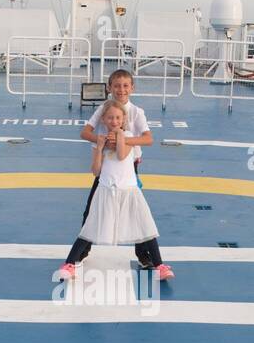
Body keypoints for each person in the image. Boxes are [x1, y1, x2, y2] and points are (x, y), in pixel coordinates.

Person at [54, 98, 173, 281]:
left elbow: (121, 154)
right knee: (90, 225)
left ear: (123, 119)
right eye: (110, 118)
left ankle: (160, 265)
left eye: (118, 118)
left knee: (145, 225)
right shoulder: (101, 139)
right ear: (104, 119)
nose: (114, 121)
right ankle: (69, 264)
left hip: (129, 190)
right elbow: (96, 170)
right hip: (106, 189)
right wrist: (100, 146)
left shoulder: (130, 136)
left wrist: (119, 136)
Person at [78, 69, 152, 224]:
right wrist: (104, 141)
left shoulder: (137, 112)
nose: (121, 90)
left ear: (132, 88)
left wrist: (122, 140)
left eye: (125, 86)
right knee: (92, 206)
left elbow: (148, 139)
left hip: (129, 165)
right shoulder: (103, 109)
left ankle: (143, 247)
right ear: (109, 88)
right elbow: (85, 133)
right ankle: (83, 247)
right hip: (105, 163)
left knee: (136, 209)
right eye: (117, 86)